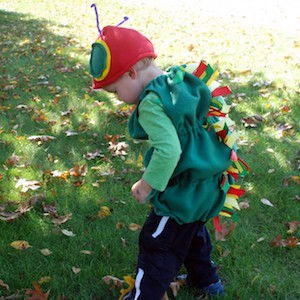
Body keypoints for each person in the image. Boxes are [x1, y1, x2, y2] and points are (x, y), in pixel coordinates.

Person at [89, 24, 248, 300]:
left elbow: (168, 151)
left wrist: (147, 184)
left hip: (182, 189)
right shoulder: (180, 79)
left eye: (115, 91)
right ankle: (207, 281)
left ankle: (143, 296)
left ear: (131, 73)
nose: (118, 99)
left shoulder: (151, 102)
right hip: (208, 182)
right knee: (191, 232)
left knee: (157, 243)